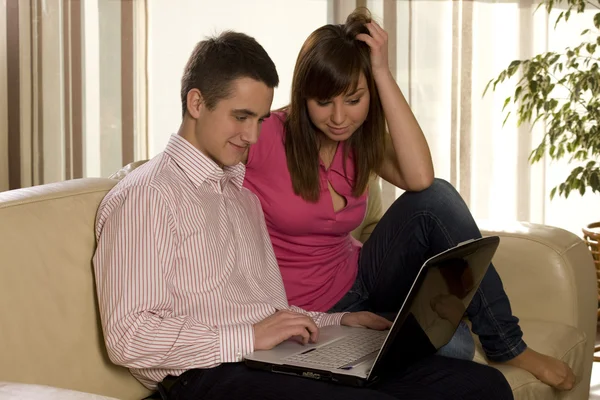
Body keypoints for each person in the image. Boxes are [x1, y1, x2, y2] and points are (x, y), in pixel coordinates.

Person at [92, 30, 514, 400]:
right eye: (241, 117)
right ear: (196, 103)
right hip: (203, 376)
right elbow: (129, 336)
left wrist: (340, 320)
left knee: (483, 387)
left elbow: (271, 311)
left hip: (272, 356)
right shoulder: (148, 195)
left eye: (259, 119)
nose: (252, 135)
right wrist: (249, 338)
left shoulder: (241, 195)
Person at [241, 7, 576, 391]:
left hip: (362, 276)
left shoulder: (359, 138)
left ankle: (507, 343)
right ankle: (420, 318)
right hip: (313, 310)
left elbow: (420, 178)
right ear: (303, 95)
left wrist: (381, 71)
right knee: (456, 346)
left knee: (436, 198)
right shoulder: (264, 136)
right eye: (323, 102)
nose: (338, 118)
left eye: (353, 99)